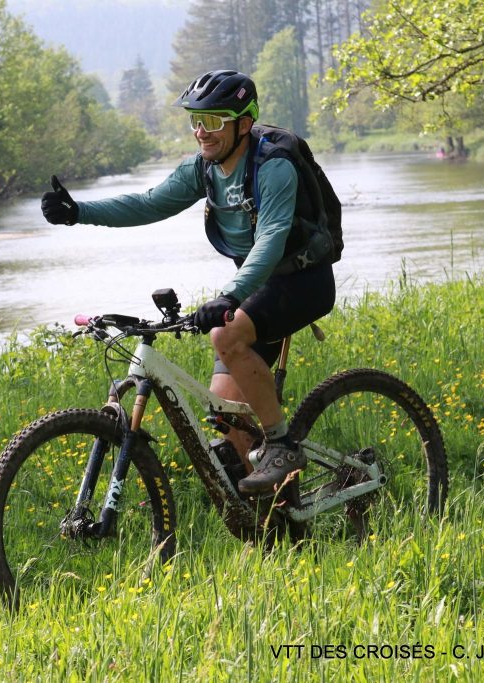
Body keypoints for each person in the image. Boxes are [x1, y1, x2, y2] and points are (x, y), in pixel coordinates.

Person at [40, 70, 336, 495]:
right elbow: (148, 204)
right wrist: (78, 212)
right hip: (258, 287)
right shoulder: (204, 168)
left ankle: (282, 446)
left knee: (225, 335)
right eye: (196, 121)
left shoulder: (273, 167)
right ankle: (276, 518)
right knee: (227, 418)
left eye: (213, 121)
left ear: (244, 124)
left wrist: (230, 295)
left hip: (303, 281)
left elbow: (271, 239)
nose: (201, 131)